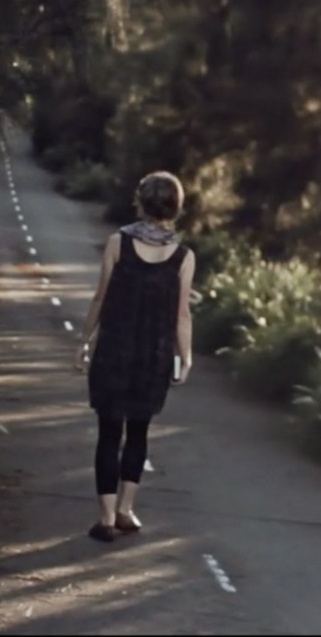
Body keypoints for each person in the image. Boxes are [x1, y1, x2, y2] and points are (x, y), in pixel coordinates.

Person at [73, 171, 196, 543]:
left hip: (113, 351)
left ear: (140, 202)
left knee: (109, 433)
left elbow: (100, 296)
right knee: (139, 432)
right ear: (176, 208)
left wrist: (84, 339)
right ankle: (127, 509)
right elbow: (182, 314)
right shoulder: (183, 257)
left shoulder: (117, 243)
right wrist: (185, 356)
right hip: (153, 357)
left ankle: (106, 518)